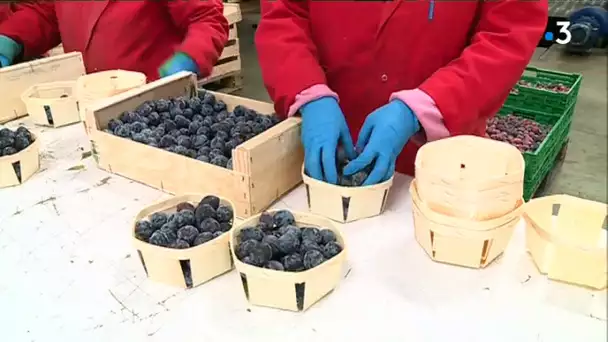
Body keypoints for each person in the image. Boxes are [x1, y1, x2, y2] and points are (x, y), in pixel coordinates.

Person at [255, 0, 548, 186]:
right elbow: (283, 13)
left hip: (442, 161)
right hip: (325, 150)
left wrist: (426, 106)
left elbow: (508, 34)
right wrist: (306, 89)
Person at [0, 1, 229, 80]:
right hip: (94, 101)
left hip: (156, 101)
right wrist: (11, 37)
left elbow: (206, 18)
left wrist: (190, 58)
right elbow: (50, 13)